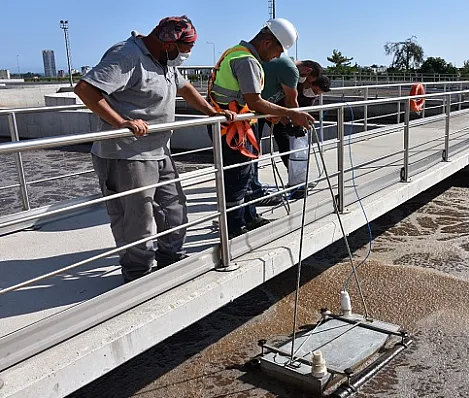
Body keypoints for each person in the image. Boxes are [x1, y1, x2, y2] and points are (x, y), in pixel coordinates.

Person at [74, 16, 238, 283]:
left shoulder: (165, 61)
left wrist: (215, 112)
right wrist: (122, 122)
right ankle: (137, 274)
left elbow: (184, 89)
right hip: (126, 154)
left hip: (160, 149)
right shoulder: (127, 55)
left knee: (174, 209)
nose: (187, 55)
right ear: (167, 43)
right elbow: (86, 89)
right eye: (185, 50)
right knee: (137, 219)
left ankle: (169, 258)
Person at [206, 18, 315, 239]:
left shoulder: (234, 52)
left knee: (246, 175)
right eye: (278, 50)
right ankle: (234, 228)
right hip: (232, 130)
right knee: (237, 179)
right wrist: (292, 113)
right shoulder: (246, 60)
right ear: (267, 42)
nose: (277, 56)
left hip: (237, 125)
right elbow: (254, 101)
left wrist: (275, 118)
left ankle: (249, 217)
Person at [246, 58, 324, 208]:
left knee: (258, 149)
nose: (306, 84)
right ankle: (253, 191)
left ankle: (292, 181)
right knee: (252, 151)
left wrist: (288, 122)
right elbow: (290, 101)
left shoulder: (288, 70)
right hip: (256, 110)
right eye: (309, 81)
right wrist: (293, 121)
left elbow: (280, 102)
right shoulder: (291, 70)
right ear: (307, 71)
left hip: (266, 110)